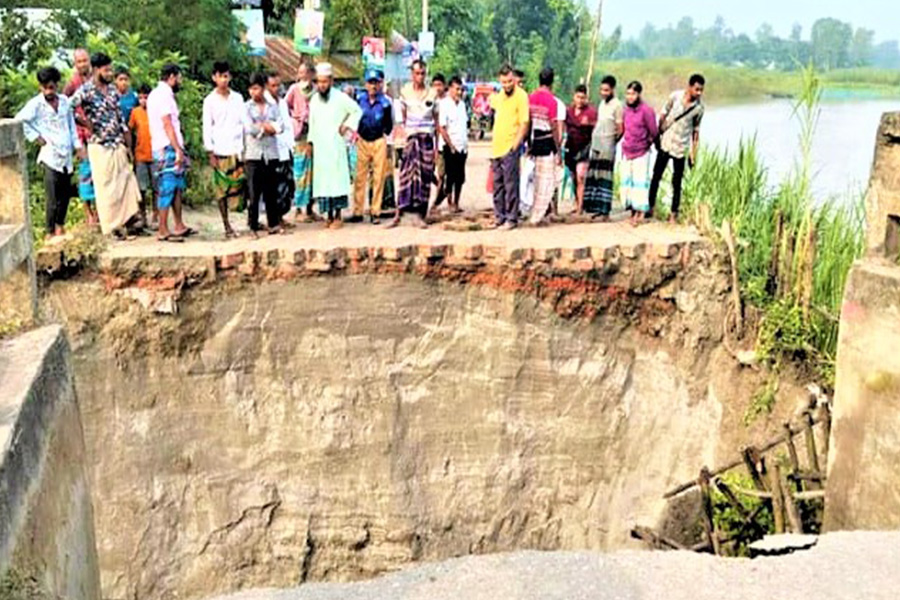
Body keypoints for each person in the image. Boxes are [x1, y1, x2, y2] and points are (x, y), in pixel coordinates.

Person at [70, 52, 141, 239]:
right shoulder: (86, 90)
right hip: (99, 144)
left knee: (125, 183)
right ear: (96, 70)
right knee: (106, 189)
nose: (110, 73)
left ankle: (126, 223)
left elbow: (121, 120)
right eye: (106, 70)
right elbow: (68, 109)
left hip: (116, 143)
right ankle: (112, 229)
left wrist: (128, 145)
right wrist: (85, 124)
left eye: (111, 69)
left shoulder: (112, 91)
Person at [15, 67, 82, 241]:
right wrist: (35, 136)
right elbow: (19, 120)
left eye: (52, 87)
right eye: (46, 88)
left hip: (65, 153)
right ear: (41, 87)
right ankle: (49, 232)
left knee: (65, 193)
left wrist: (77, 146)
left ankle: (60, 226)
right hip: (50, 154)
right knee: (52, 196)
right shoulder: (36, 104)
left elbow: (71, 126)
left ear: (56, 86)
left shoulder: (65, 102)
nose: (49, 91)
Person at [307, 62, 362, 229]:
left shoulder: (340, 97)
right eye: (319, 82)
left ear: (331, 81)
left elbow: (356, 111)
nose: (322, 85)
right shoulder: (314, 100)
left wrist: (346, 125)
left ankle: (338, 216)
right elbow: (312, 123)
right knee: (324, 182)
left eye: (325, 82)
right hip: (321, 146)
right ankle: (328, 215)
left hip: (336, 145)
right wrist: (310, 143)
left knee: (337, 181)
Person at [648, 73, 705, 223]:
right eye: (697, 89)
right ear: (690, 87)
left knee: (677, 182)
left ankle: (674, 214)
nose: (699, 93)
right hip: (666, 143)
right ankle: (650, 207)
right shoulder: (675, 97)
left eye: (701, 90)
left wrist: (693, 153)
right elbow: (663, 113)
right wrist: (659, 131)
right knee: (656, 176)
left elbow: (696, 131)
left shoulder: (699, 108)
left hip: (681, 147)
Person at [148, 63, 194, 241]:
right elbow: (167, 123)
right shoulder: (164, 96)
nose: (180, 81)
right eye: (179, 77)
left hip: (164, 145)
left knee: (176, 187)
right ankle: (162, 229)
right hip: (166, 146)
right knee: (167, 187)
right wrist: (177, 149)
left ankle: (178, 224)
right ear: (172, 77)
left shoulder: (156, 94)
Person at [391, 59, 438, 228]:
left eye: (423, 73)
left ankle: (420, 214)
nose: (420, 76)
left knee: (424, 177)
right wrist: (401, 139)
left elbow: (437, 121)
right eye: (417, 73)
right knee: (406, 176)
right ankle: (400, 212)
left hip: (426, 139)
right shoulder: (405, 92)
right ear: (412, 74)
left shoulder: (432, 94)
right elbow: (401, 119)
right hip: (411, 139)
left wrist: (436, 147)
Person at [202, 60, 246, 237]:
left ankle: (248, 220)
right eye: (220, 76)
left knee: (241, 186)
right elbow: (207, 126)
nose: (223, 80)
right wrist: (210, 151)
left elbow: (244, 123)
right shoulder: (209, 101)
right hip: (220, 149)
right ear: (214, 78)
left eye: (226, 76)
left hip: (237, 148)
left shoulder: (238, 98)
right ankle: (226, 225)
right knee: (222, 190)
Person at [243, 72, 286, 236]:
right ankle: (253, 225)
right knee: (254, 192)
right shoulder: (246, 107)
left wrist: (264, 126)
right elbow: (250, 129)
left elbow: (280, 126)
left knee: (271, 191)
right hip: (253, 154)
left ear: (263, 88)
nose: (255, 92)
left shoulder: (272, 105)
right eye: (252, 89)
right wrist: (267, 127)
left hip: (271, 153)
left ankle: (273, 223)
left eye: (257, 88)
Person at [489, 65, 529, 230]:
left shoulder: (521, 96)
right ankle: (499, 217)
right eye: (504, 82)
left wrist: (515, 145)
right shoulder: (499, 96)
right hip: (496, 147)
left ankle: (512, 219)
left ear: (515, 79)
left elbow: (524, 123)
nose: (507, 85)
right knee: (497, 186)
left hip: (510, 147)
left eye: (509, 81)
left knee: (511, 185)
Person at [353, 69, 393, 224]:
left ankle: (375, 211)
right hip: (362, 140)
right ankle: (358, 211)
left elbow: (388, 126)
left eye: (376, 82)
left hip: (378, 141)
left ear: (380, 84)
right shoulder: (359, 100)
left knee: (378, 177)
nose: (373, 86)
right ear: (365, 84)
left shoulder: (385, 103)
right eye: (370, 82)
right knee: (360, 177)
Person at [63, 48, 97, 226]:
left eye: (85, 60)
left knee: (100, 172)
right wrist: (78, 122)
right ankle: (88, 213)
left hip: (97, 133)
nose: (83, 64)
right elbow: (63, 107)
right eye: (79, 61)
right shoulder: (72, 83)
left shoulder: (96, 79)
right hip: (81, 135)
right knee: (85, 172)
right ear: (75, 64)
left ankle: (100, 212)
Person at [583, 75, 623, 220]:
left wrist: (611, 141)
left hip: (607, 146)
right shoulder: (602, 104)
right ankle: (596, 208)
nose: (603, 92)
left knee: (605, 177)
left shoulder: (617, 105)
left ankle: (605, 210)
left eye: (606, 90)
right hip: (596, 144)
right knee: (595, 176)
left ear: (612, 89)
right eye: (602, 90)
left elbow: (620, 129)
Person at [619, 81, 659, 226]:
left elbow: (654, 131)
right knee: (628, 182)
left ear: (639, 94)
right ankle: (632, 212)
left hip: (641, 151)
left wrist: (649, 143)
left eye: (633, 94)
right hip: (627, 149)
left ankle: (641, 213)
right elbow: (624, 129)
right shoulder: (626, 110)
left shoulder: (646, 111)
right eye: (628, 93)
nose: (630, 97)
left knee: (640, 182)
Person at [527, 67, 561, 226]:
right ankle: (538, 215)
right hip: (547, 142)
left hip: (535, 141)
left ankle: (537, 212)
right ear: (552, 81)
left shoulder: (530, 98)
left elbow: (527, 124)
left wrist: (528, 143)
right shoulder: (551, 101)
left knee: (536, 180)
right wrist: (558, 149)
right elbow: (554, 126)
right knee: (546, 181)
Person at [285, 61, 316, 222]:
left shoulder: (316, 91)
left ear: (311, 74)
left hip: (314, 138)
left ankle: (310, 209)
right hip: (299, 137)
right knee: (299, 174)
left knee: (313, 175)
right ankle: (298, 209)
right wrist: (295, 119)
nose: (302, 76)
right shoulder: (294, 90)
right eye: (300, 73)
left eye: (304, 73)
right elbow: (285, 107)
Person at [435, 75, 469, 214]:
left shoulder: (462, 105)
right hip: (449, 146)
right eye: (457, 89)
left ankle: (456, 202)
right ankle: (448, 203)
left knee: (460, 178)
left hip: (462, 146)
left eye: (461, 89)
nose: (459, 92)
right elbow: (442, 128)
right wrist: (451, 146)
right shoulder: (444, 104)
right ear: (450, 89)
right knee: (449, 178)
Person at [266, 72, 295, 223]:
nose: (276, 88)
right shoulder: (263, 104)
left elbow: (288, 126)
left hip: (285, 150)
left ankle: (281, 216)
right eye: (273, 85)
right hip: (271, 152)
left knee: (287, 186)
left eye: (279, 85)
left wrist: (291, 146)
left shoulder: (282, 103)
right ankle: (274, 218)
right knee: (274, 187)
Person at [565, 84, 598, 214]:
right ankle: (577, 202)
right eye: (578, 97)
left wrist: (588, 123)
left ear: (586, 98)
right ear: (574, 97)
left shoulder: (591, 112)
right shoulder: (569, 111)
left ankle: (580, 208)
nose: (580, 100)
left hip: (584, 148)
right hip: (570, 147)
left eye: (583, 98)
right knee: (573, 177)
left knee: (581, 176)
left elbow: (597, 127)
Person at [128, 84, 157, 228]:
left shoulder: (156, 111)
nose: (143, 101)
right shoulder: (135, 112)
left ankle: (157, 216)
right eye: (140, 98)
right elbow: (130, 131)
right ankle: (143, 216)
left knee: (157, 188)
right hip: (140, 155)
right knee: (142, 189)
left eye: (146, 97)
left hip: (156, 154)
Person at [431, 73, 448, 205]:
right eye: (435, 85)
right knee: (428, 171)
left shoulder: (447, 102)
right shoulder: (430, 101)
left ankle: (440, 200)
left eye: (439, 85)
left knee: (444, 173)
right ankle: (440, 188)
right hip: (430, 140)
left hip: (444, 141)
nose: (437, 88)